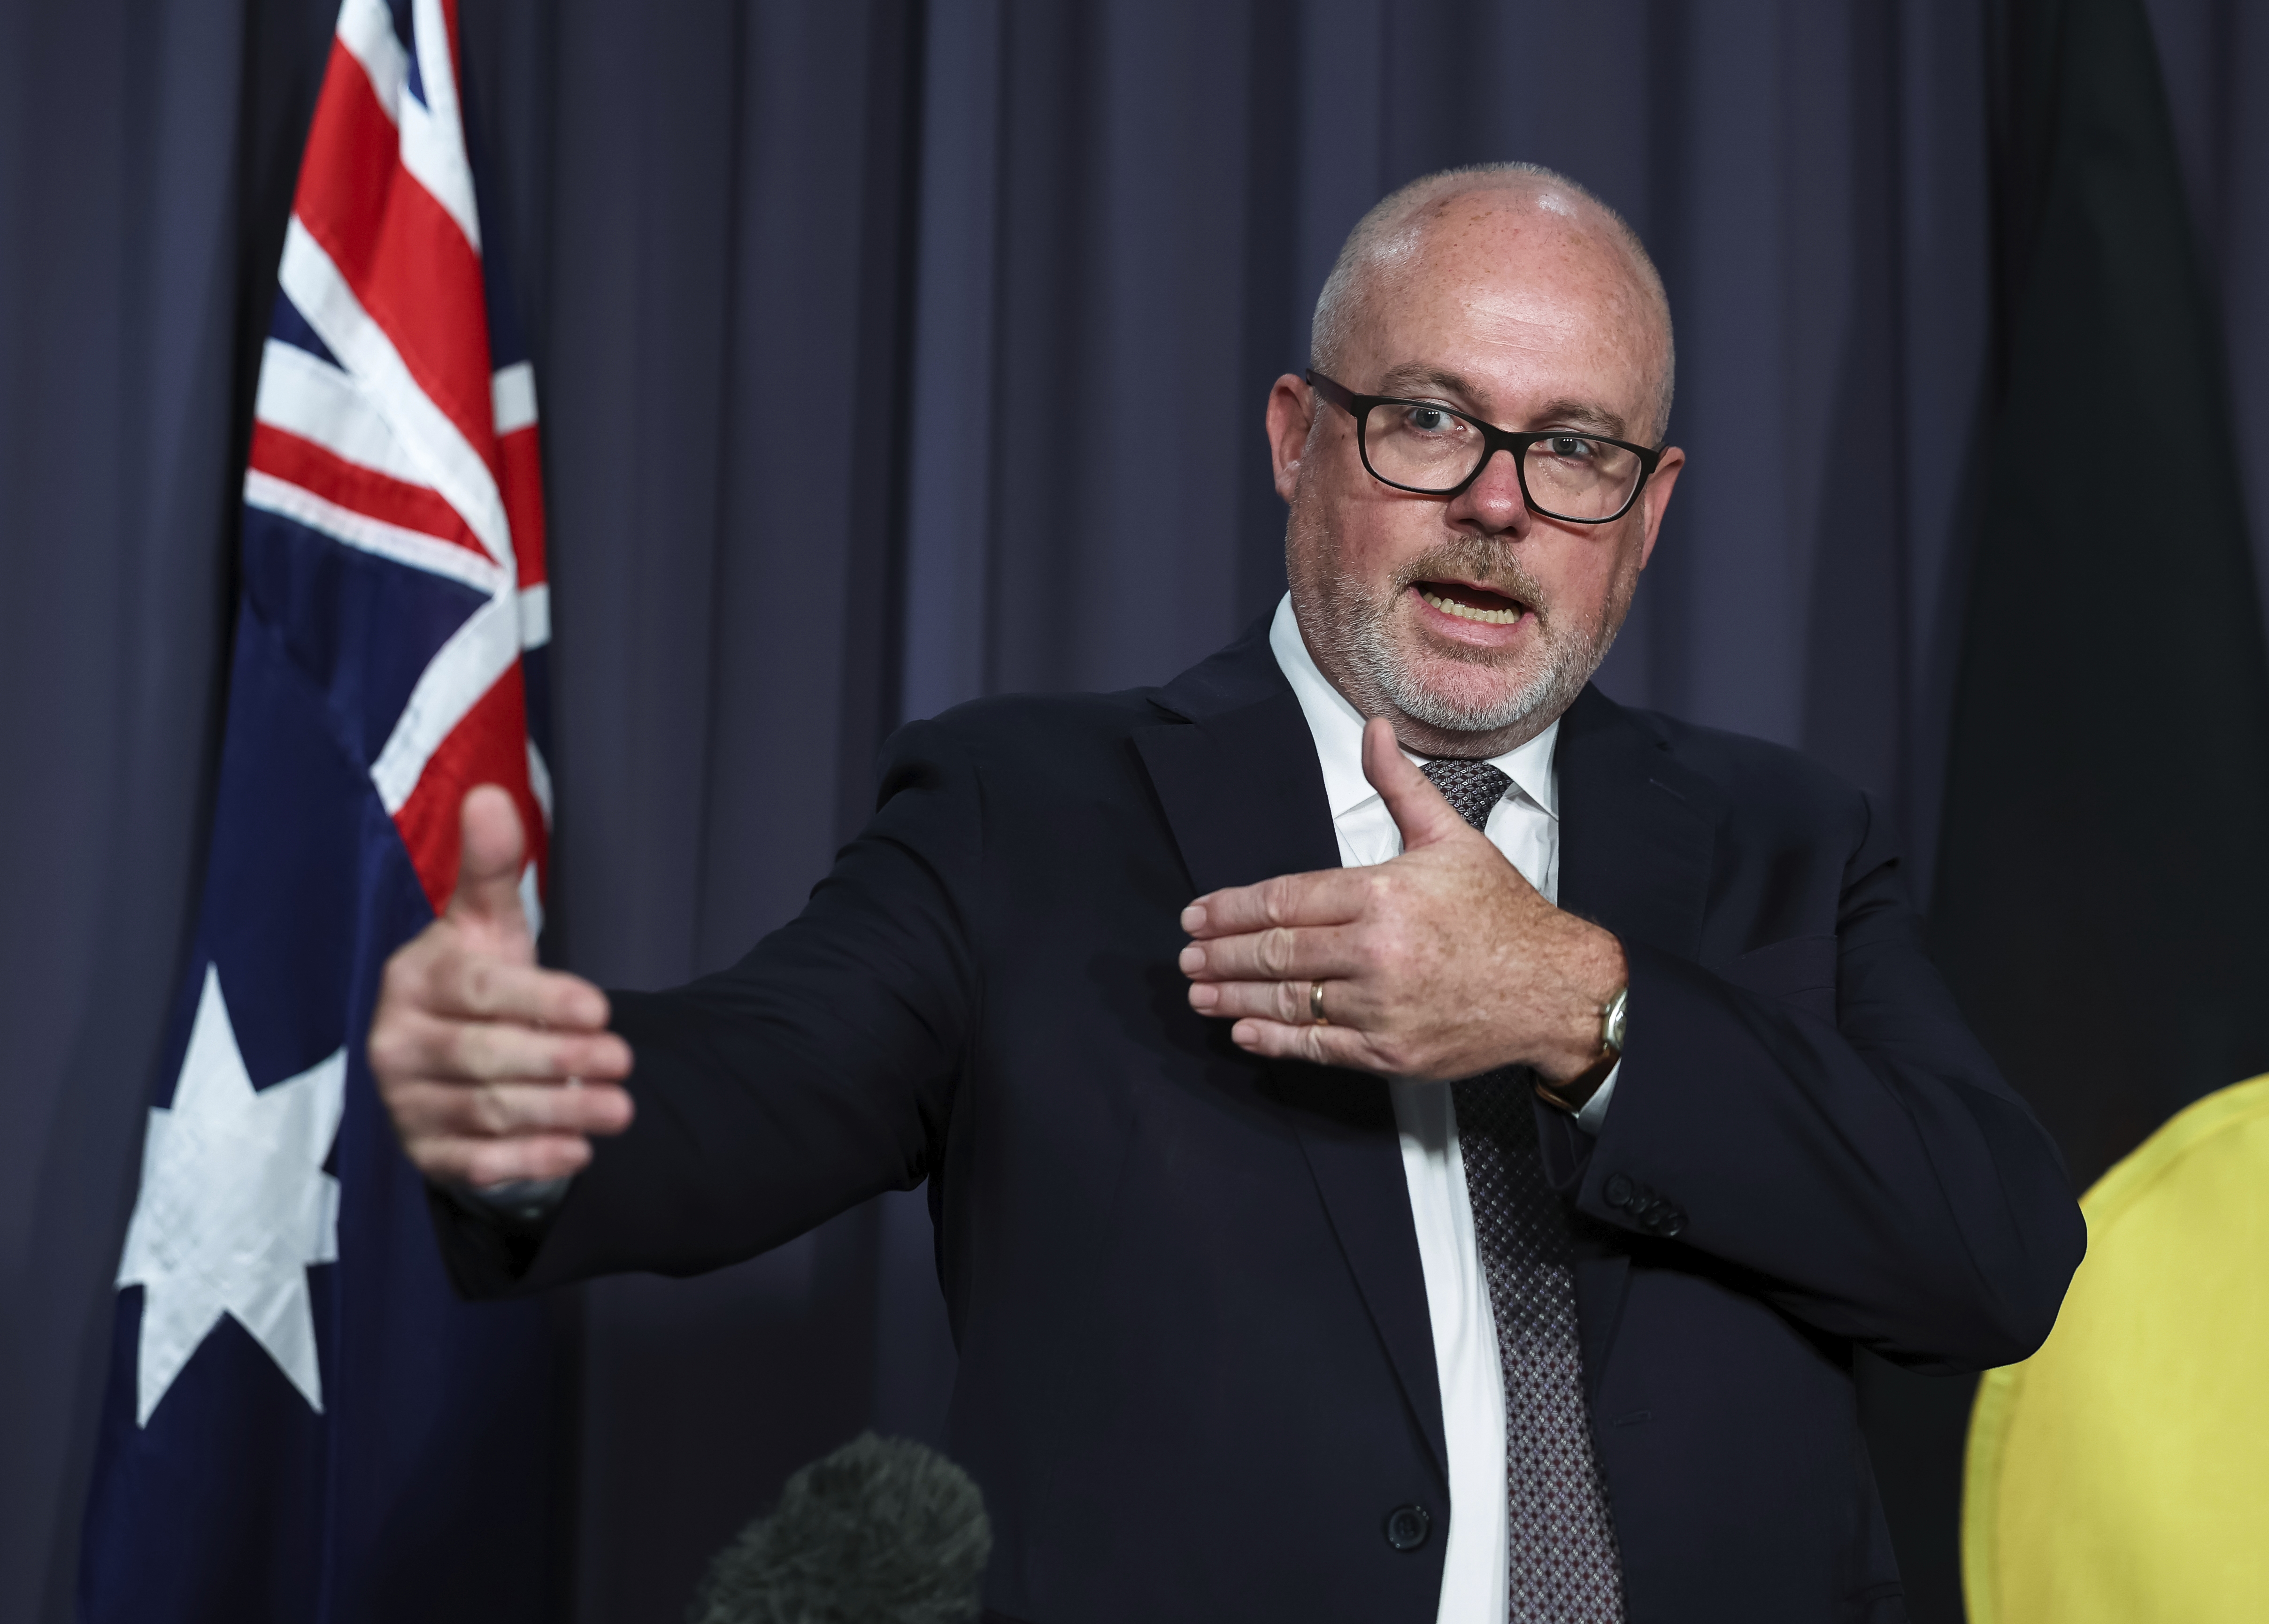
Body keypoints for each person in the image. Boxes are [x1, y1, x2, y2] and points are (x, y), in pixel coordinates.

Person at [372, 163, 2084, 1624]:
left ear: (1651, 512)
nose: (1497, 501)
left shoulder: (1789, 837)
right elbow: (756, 1075)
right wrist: (542, 1108)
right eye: (1429, 420)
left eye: (1575, 449)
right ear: (1295, 436)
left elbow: (1999, 1253)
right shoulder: (1030, 808)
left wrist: (1583, 1006)